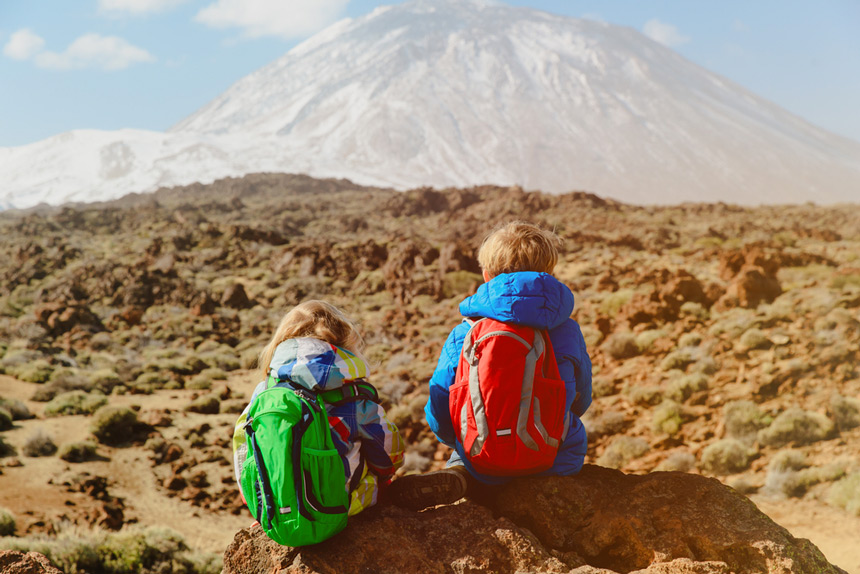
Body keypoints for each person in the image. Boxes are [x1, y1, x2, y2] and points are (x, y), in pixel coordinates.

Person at [389, 221, 592, 510]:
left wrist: (461, 440)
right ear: (549, 271)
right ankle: (541, 485)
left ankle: (461, 474)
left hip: (481, 458)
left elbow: (440, 405)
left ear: (486, 275)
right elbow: (581, 398)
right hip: (552, 457)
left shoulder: (466, 332)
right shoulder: (566, 330)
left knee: (466, 458)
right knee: (569, 432)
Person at [233, 300, 405, 516]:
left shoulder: (264, 392)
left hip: (276, 512)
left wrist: (257, 503)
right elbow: (390, 457)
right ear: (344, 344)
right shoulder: (353, 395)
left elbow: (242, 449)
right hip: (341, 509)